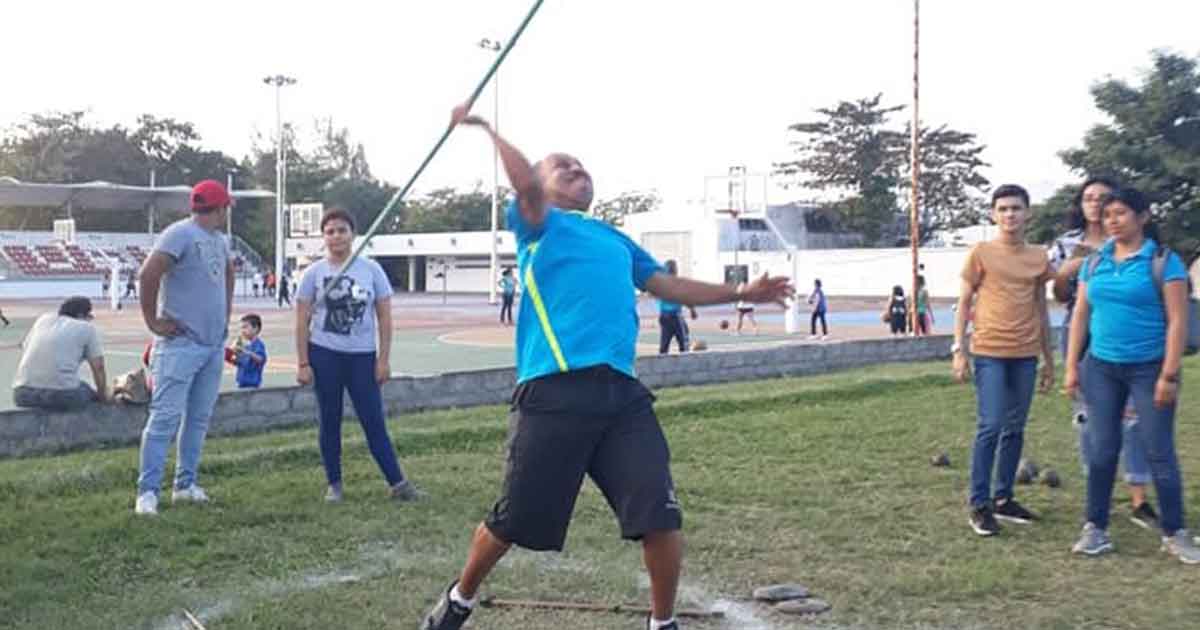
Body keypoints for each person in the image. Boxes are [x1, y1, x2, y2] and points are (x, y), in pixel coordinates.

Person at [419, 104, 792, 630]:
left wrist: (740, 291)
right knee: (513, 520)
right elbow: (524, 184)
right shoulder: (538, 226)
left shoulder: (616, 239)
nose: (577, 170)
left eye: (581, 166)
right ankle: (460, 598)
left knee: (661, 515)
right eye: (563, 166)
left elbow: (669, 286)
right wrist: (488, 131)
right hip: (552, 393)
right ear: (544, 185)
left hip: (623, 398)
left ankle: (662, 623)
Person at [1064, 186, 1200, 562]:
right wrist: (1072, 366)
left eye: (1121, 213)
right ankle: (1096, 528)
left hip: (1150, 367)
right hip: (1102, 368)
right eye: (1107, 215)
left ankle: (1176, 532)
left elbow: (1177, 322)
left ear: (1143, 217)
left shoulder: (1163, 261)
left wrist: (1168, 374)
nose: (1112, 221)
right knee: (1102, 450)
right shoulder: (1095, 262)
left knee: (1159, 451)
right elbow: (1080, 316)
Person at [1049, 176, 1156, 530]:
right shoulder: (1067, 244)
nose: (1095, 204)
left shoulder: (1129, 241)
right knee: (1088, 416)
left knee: (1135, 415)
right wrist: (1067, 271)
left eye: (1102, 198)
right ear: (1080, 204)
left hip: (1126, 331)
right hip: (1081, 330)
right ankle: (1100, 496)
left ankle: (1139, 497)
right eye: (1088, 198)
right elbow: (1059, 295)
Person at [295, 208, 423, 504]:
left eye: (342, 230)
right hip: (324, 355)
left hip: (362, 358)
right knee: (330, 418)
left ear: (353, 234)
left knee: (373, 420)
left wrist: (383, 359)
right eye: (330, 231)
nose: (336, 236)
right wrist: (303, 362)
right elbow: (301, 321)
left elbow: (385, 318)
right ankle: (334, 484)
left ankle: (397, 483)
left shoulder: (371, 270)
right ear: (323, 237)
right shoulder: (313, 274)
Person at [953, 184, 1054, 537]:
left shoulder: (1039, 257)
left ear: (1028, 213)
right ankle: (979, 504)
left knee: (1015, 429)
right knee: (990, 425)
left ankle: (1003, 498)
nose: (1010, 214)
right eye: (1003, 209)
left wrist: (1049, 360)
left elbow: (1041, 307)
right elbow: (964, 303)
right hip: (989, 351)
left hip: (1025, 355)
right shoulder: (981, 252)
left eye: (1016, 208)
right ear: (994, 215)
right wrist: (959, 350)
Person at [134, 180, 235, 516]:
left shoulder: (221, 240)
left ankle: (185, 484)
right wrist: (153, 322)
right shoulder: (178, 234)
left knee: (198, 418)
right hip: (180, 343)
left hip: (211, 344)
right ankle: (147, 492)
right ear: (220, 209)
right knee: (164, 418)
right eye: (225, 209)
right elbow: (149, 274)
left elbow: (228, 275)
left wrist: (225, 316)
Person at [11, 296, 108, 410]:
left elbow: (26, 347)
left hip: (22, 394)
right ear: (81, 315)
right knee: (88, 391)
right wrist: (103, 396)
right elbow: (99, 368)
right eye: (89, 317)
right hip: (62, 395)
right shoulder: (87, 328)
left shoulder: (43, 320)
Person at [657, 260, 698, 354]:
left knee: (664, 345)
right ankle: (685, 362)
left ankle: (662, 362)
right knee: (683, 343)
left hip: (664, 316)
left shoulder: (661, 283)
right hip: (675, 316)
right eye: (675, 268)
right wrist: (692, 310)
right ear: (674, 270)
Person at [226, 313, 267, 389]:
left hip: (252, 385)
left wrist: (245, 351)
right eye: (242, 328)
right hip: (241, 383)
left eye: (245, 327)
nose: (242, 331)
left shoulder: (258, 344)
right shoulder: (245, 346)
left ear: (255, 328)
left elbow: (261, 359)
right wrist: (229, 354)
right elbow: (238, 362)